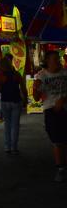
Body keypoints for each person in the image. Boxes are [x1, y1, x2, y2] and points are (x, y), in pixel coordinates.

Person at [33, 50, 67, 182]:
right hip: (50, 111)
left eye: (58, 59)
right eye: (55, 59)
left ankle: (62, 166)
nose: (58, 61)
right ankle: (61, 168)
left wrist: (63, 99)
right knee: (57, 140)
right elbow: (36, 98)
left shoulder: (65, 73)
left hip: (64, 109)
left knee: (63, 140)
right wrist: (35, 89)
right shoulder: (42, 75)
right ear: (47, 61)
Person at [0, 57, 26, 154]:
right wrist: (26, 98)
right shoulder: (16, 74)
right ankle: (14, 147)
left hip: (5, 101)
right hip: (16, 101)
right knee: (15, 125)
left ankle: (7, 146)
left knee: (7, 124)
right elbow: (23, 88)